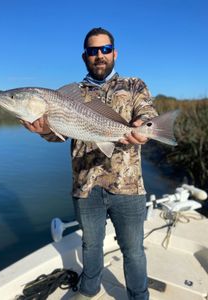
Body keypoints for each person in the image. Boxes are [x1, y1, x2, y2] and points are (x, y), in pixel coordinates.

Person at [22, 28, 158, 300]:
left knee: (133, 251)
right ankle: (89, 289)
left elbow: (147, 113)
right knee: (91, 245)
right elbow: (57, 135)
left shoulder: (133, 85)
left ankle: (139, 296)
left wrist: (143, 126)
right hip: (85, 186)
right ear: (85, 56)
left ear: (114, 53)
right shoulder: (71, 94)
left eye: (105, 49)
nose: (99, 55)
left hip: (128, 186)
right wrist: (42, 131)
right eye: (93, 51)